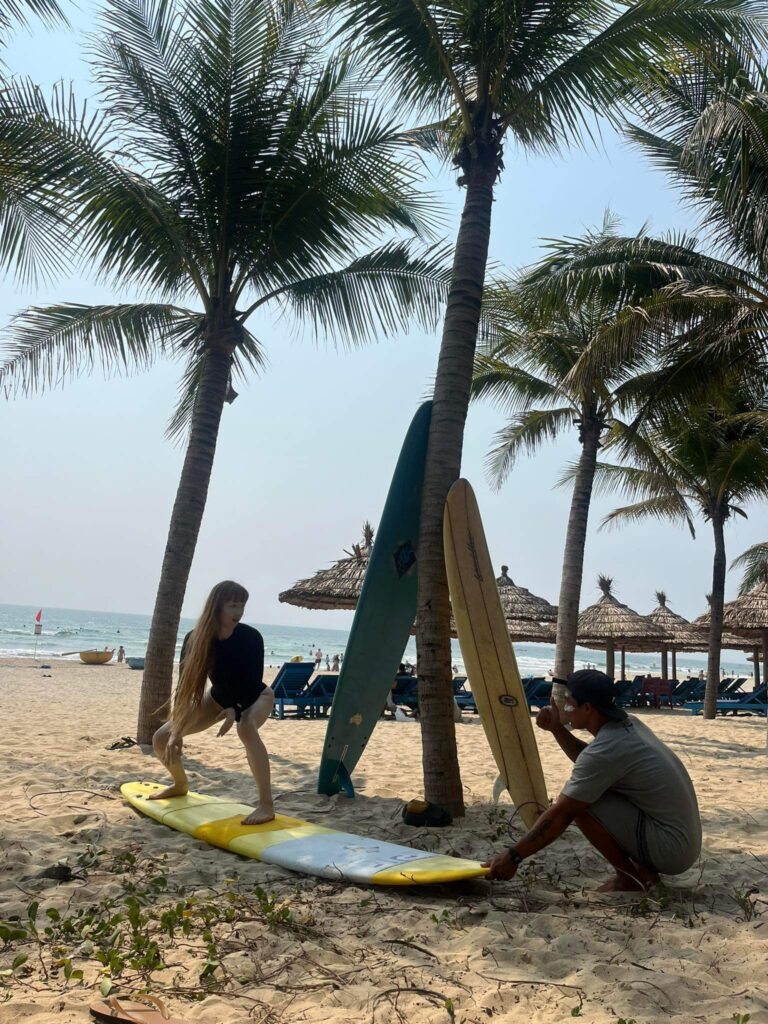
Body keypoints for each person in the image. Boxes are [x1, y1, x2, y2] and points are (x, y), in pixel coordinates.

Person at [484, 670, 701, 892]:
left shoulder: (606, 750)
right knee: (586, 791)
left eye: (569, 703)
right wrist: (557, 728)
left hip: (671, 850)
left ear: (587, 708)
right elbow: (595, 763)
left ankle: (628, 879)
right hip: (681, 841)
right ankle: (641, 870)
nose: (566, 708)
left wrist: (513, 856)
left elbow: (563, 812)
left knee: (581, 804)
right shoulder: (629, 724)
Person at [149, 581, 275, 826]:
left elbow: (251, 683)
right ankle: (179, 784)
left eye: (242, 606)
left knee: (245, 728)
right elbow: (184, 687)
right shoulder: (195, 639)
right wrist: (178, 729)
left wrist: (235, 710)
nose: (238, 612)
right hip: (218, 697)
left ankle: (266, 806)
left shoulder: (250, 637)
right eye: (232, 606)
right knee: (162, 738)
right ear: (217, 606)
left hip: (256, 696)